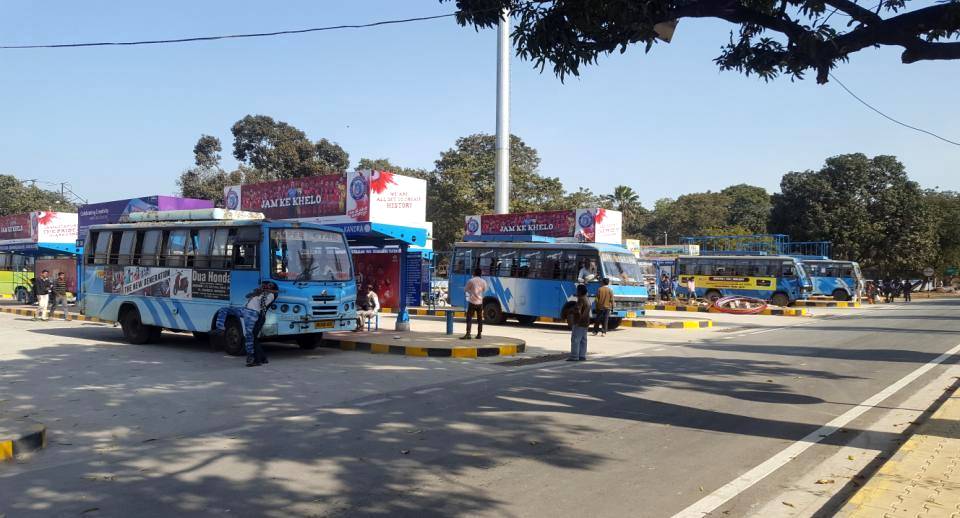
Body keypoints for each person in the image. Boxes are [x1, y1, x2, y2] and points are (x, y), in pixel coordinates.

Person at [240, 281, 279, 367]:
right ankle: (263, 358)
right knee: (254, 337)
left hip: (259, 317)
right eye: (266, 285)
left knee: (253, 337)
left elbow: (262, 304)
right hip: (258, 316)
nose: (266, 286)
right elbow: (248, 296)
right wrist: (256, 292)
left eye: (269, 286)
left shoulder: (271, 295)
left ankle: (257, 360)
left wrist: (261, 292)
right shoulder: (265, 293)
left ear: (272, 288)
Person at [461, 267, 487, 340]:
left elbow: (465, 289)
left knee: (469, 318)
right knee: (480, 319)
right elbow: (484, 290)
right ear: (481, 274)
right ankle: (479, 334)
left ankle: (468, 334)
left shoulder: (471, 281)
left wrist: (471, 292)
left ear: (474, 273)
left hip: (472, 302)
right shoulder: (483, 281)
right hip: (480, 302)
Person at [568, 284, 591, 361]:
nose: (576, 292)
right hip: (586, 322)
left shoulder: (581, 299)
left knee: (575, 339)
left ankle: (574, 356)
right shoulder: (587, 299)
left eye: (577, 290)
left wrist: (571, 311)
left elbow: (577, 310)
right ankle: (582, 355)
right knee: (583, 340)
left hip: (579, 322)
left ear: (580, 291)